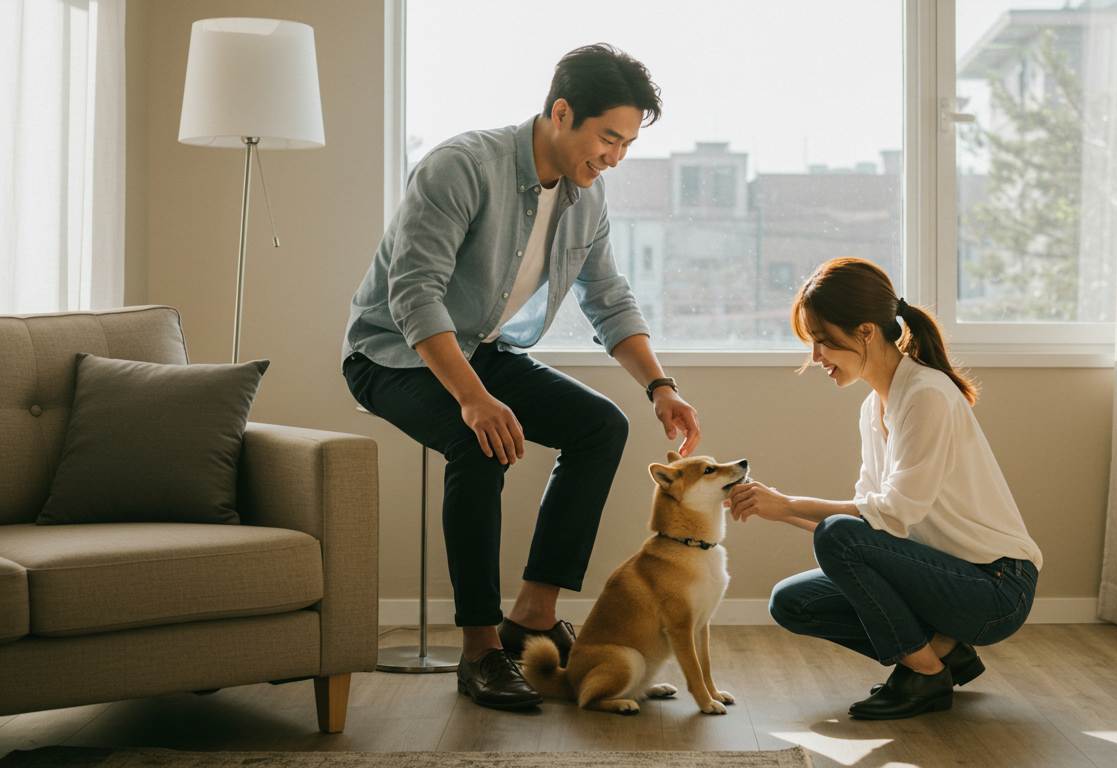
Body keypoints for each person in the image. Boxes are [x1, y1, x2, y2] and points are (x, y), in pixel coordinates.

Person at [341, 44, 701, 711]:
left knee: (600, 427)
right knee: (475, 441)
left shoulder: (586, 198)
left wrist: (661, 387)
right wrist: (474, 399)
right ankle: (480, 651)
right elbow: (414, 295)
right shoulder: (461, 167)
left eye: (625, 143)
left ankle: (534, 616)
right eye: (608, 139)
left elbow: (609, 297)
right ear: (562, 112)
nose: (615, 156)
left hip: (480, 347)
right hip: (388, 353)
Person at [725, 257, 1041, 720]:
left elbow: (890, 514)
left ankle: (926, 673)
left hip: (996, 586)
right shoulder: (874, 408)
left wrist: (789, 503)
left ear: (867, 331)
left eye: (823, 341)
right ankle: (943, 655)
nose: (816, 359)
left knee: (835, 535)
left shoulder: (925, 395)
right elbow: (870, 519)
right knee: (791, 602)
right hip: (943, 575)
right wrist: (772, 506)